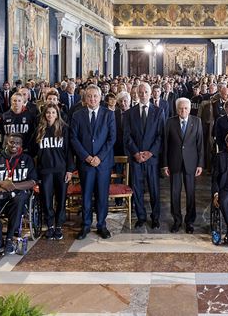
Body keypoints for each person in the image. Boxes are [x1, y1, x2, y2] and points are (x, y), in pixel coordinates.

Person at [70, 84, 116, 240]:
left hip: (103, 163)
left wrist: (99, 157)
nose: (92, 99)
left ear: (100, 97)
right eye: (89, 96)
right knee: (86, 195)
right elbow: (73, 139)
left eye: (95, 96)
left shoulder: (108, 114)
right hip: (86, 163)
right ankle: (86, 225)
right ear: (85, 98)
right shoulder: (77, 115)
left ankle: (101, 225)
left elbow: (111, 138)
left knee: (102, 195)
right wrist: (87, 157)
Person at [0, 134, 37, 256]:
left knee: (19, 200)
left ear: (21, 145)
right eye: (12, 142)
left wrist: (13, 186)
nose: (14, 145)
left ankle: (11, 238)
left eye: (17, 143)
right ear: (6, 143)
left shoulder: (27, 159)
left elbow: (33, 181)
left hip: (18, 194)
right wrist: (2, 183)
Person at [124, 82, 164, 229]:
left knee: (154, 189)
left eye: (146, 92)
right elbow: (127, 136)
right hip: (136, 158)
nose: (143, 95)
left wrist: (150, 153)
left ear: (151, 93)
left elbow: (160, 136)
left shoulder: (159, 112)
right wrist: (135, 153)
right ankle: (141, 216)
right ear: (136, 94)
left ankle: (155, 217)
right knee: (137, 189)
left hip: (151, 158)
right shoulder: (129, 113)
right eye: (140, 92)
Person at [163, 97, 204, 234]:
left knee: (191, 193)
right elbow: (166, 144)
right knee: (174, 193)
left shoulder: (197, 121)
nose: (183, 110)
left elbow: (200, 145)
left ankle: (189, 222)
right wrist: (165, 164)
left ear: (190, 108)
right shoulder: (170, 122)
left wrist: (200, 164)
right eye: (181, 108)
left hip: (191, 163)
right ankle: (177, 220)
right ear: (177, 109)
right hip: (174, 162)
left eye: (186, 108)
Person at [35, 104, 73, 240]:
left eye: (53, 112)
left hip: (61, 169)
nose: (50, 115)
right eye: (48, 113)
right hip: (45, 170)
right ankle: (50, 225)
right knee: (46, 200)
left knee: (61, 200)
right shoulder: (40, 130)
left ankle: (59, 227)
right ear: (44, 114)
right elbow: (33, 151)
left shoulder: (64, 129)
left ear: (57, 114)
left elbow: (69, 151)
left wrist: (69, 169)